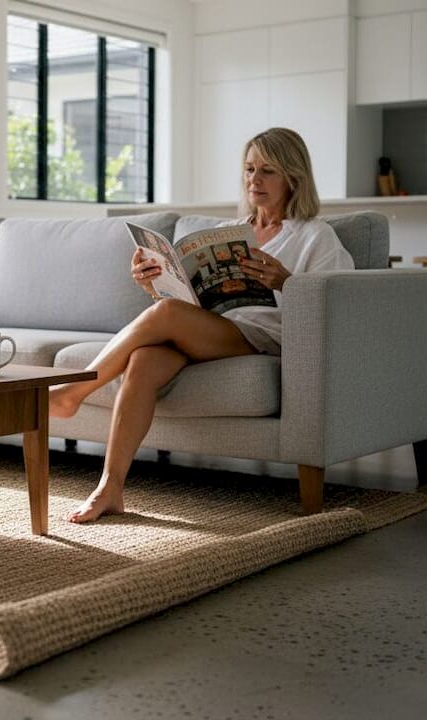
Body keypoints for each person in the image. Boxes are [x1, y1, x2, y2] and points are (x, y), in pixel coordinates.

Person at [49, 127, 354, 523]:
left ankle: (73, 391)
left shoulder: (315, 236)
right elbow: (187, 300)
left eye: (267, 171)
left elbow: (339, 303)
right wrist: (153, 282)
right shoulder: (230, 233)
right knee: (143, 361)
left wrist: (286, 282)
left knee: (167, 315)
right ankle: (110, 488)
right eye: (249, 169)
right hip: (211, 329)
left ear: (293, 177)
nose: (254, 180)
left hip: (261, 336)